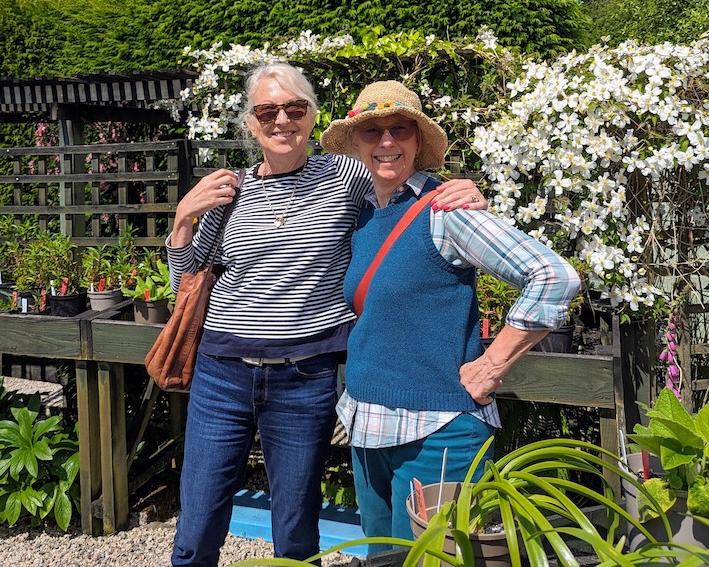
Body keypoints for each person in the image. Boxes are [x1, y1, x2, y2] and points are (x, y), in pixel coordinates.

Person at [166, 63, 487, 566]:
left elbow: (398, 175)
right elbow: (182, 285)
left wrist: (459, 189)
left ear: (312, 117)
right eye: (267, 112)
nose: (282, 121)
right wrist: (183, 219)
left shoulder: (344, 175)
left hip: (303, 378)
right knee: (199, 518)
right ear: (251, 123)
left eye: (294, 109)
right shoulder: (230, 192)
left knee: (296, 524)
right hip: (221, 375)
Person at [319, 80, 581, 551]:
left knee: (433, 560)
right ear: (355, 143)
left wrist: (493, 364)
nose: (386, 141)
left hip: (436, 430)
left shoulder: (447, 211)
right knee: (384, 557)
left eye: (400, 129)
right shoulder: (362, 214)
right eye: (372, 130)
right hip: (369, 423)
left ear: (418, 141)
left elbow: (553, 276)